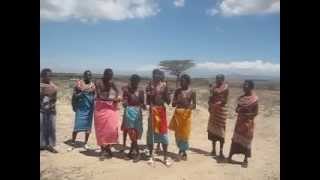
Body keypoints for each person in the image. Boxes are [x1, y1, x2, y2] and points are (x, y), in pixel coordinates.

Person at [227, 80, 259, 168]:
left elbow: (256, 112)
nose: (244, 87)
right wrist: (238, 110)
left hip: (248, 123)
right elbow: (237, 109)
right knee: (235, 139)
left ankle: (245, 160)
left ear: (251, 87)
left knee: (246, 140)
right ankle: (230, 156)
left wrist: (247, 115)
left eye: (246, 85)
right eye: (244, 85)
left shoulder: (255, 99)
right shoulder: (241, 98)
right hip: (239, 122)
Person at [94, 68, 121, 160]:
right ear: (104, 74)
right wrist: (113, 100)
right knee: (101, 130)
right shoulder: (98, 82)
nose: (110, 78)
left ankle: (108, 149)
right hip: (100, 106)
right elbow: (99, 96)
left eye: (111, 76)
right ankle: (103, 150)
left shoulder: (111, 82)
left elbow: (118, 91)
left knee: (111, 128)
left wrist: (117, 98)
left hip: (109, 106)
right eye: (108, 76)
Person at [146, 69, 171, 166]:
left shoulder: (164, 86)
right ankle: (151, 156)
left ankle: (165, 157)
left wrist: (167, 92)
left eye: (157, 75)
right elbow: (148, 102)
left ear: (160, 76)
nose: (155, 76)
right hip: (152, 111)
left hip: (161, 111)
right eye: (153, 74)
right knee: (151, 134)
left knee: (163, 134)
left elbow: (168, 101)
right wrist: (150, 94)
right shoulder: (149, 86)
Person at [169, 74, 196, 161]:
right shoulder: (177, 91)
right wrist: (178, 100)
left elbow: (194, 105)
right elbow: (173, 104)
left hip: (186, 115)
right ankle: (182, 151)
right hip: (178, 114)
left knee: (185, 133)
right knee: (177, 134)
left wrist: (189, 107)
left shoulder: (192, 92)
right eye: (180, 81)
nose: (181, 83)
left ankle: (182, 151)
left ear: (188, 82)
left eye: (183, 81)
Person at [121, 74, 146, 162]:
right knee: (131, 132)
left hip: (138, 113)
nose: (134, 83)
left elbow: (143, 103)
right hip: (129, 112)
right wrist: (124, 102)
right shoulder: (126, 90)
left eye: (136, 81)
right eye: (132, 81)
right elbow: (124, 100)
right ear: (130, 81)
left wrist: (143, 106)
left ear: (138, 82)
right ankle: (138, 153)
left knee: (135, 133)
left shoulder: (140, 91)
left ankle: (131, 153)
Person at [70, 70, 95, 150]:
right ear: (84, 75)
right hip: (80, 108)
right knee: (77, 125)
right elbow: (74, 96)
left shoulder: (93, 85)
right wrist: (81, 94)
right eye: (87, 75)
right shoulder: (79, 84)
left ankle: (85, 143)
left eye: (90, 75)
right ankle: (73, 142)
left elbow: (94, 96)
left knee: (88, 127)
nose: (89, 76)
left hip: (89, 108)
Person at [207, 74, 229, 159]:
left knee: (221, 131)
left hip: (221, 111)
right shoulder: (214, 87)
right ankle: (213, 150)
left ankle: (221, 151)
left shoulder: (226, 88)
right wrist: (210, 105)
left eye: (219, 79)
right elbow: (211, 97)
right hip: (213, 111)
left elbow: (225, 100)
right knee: (212, 130)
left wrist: (217, 104)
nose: (217, 80)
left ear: (223, 79)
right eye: (216, 79)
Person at [40, 68, 58, 153]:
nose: (49, 77)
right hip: (41, 109)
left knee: (52, 127)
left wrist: (52, 104)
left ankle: (50, 145)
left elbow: (54, 98)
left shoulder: (53, 87)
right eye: (47, 75)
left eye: (50, 75)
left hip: (51, 109)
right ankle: (42, 144)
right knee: (41, 127)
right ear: (42, 76)